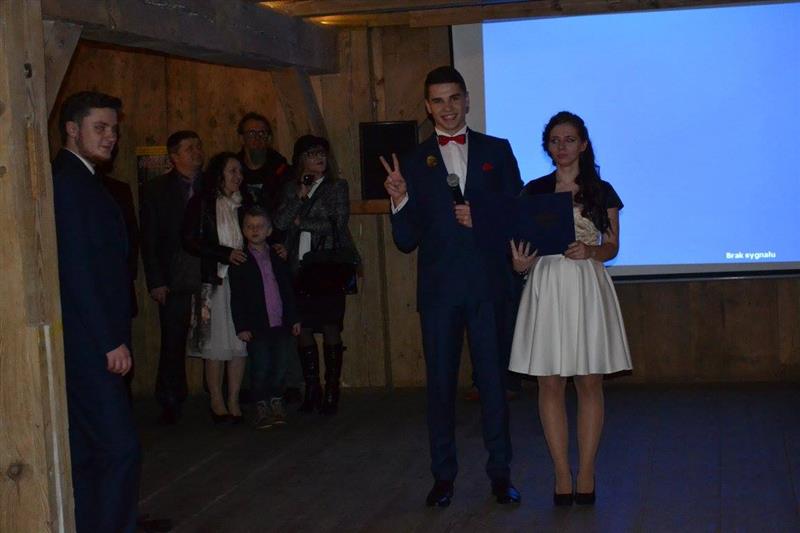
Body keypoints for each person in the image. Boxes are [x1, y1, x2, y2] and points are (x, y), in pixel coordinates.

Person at [381, 66, 523, 507]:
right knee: (440, 389)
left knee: (495, 386)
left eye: (454, 98)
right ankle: (443, 477)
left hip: (488, 288)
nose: (448, 108)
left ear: (467, 100)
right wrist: (399, 198)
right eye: (438, 101)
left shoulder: (498, 151)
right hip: (440, 293)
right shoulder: (412, 161)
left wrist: (484, 218)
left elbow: (518, 215)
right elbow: (406, 240)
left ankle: (501, 475)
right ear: (428, 107)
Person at [508, 111, 632, 506]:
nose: (562, 147)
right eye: (555, 140)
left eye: (569, 139)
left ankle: (588, 471)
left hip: (585, 284)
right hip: (546, 284)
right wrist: (519, 263)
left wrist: (591, 251)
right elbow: (521, 244)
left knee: (589, 380)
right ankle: (562, 473)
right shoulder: (534, 190)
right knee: (549, 381)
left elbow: (612, 246)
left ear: (583, 144)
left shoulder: (601, 191)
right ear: (547, 146)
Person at [52, 91, 140, 532]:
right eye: (100, 128)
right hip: (90, 343)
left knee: (89, 454)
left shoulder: (85, 180)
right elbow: (76, 271)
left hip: (92, 339)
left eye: (114, 130)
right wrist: (109, 341)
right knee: (119, 449)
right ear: (72, 129)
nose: (110, 138)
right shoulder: (68, 183)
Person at [274, 135, 354, 415]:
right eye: (312, 154)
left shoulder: (337, 186)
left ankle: (332, 390)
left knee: (331, 325)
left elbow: (336, 225)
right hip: (298, 266)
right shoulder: (291, 188)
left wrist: (302, 221)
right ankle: (312, 389)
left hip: (327, 265)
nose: (319, 158)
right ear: (301, 160)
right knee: (303, 328)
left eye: (322, 153)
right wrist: (299, 197)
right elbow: (280, 222)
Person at [141, 130, 205, 424]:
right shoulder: (156, 189)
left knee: (219, 334)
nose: (196, 152)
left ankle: (221, 395)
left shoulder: (212, 184)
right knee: (173, 339)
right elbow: (149, 239)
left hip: (209, 270)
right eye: (189, 148)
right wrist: (156, 281)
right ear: (174, 156)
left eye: (198, 147)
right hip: (174, 274)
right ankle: (170, 398)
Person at [182, 152, 250, 423]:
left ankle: (234, 398)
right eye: (232, 171)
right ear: (219, 174)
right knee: (215, 342)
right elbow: (189, 240)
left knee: (239, 341)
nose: (238, 176)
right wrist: (224, 254)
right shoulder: (202, 202)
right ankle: (216, 399)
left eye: (240, 172)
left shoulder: (246, 203)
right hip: (213, 280)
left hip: (241, 281)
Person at [229, 206, 301, 429]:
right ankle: (261, 405)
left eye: (260, 226)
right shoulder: (240, 260)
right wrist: (241, 326)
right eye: (249, 226)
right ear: (243, 230)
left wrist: (294, 318)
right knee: (260, 366)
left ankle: (276, 401)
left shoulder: (278, 256)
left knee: (280, 365)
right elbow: (237, 297)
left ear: (269, 230)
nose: (255, 230)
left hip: (280, 322)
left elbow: (288, 290)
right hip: (257, 325)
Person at [237, 112, 290, 213]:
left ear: (268, 138)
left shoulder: (283, 171)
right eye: (251, 133)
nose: (257, 138)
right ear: (241, 139)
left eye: (262, 133)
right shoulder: (232, 171)